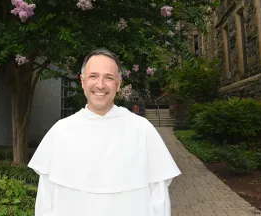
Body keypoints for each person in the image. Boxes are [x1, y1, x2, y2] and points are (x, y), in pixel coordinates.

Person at [28, 49, 181, 216]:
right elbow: (46, 200)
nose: (100, 85)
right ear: (82, 81)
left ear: (118, 83)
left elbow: (159, 199)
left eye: (108, 77)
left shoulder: (141, 130)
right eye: (93, 76)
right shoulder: (60, 131)